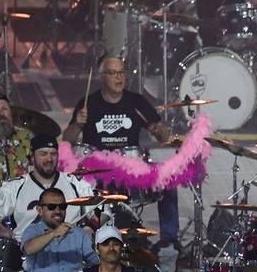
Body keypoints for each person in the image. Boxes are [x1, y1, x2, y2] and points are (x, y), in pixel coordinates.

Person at [63, 56, 180, 249]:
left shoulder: (136, 101)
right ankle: (81, 237)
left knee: (168, 179)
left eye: (121, 73)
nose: (119, 77)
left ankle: (169, 240)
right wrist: (77, 124)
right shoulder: (89, 103)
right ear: (102, 76)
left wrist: (160, 130)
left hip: (132, 170)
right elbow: (67, 140)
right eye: (113, 73)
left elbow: (163, 136)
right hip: (98, 173)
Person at [0, 133, 93, 240]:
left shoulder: (77, 184)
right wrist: (1, 230)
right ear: (32, 157)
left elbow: (98, 215)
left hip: (69, 250)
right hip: (25, 250)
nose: (49, 159)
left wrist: (90, 227)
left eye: (53, 154)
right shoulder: (14, 187)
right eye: (43, 154)